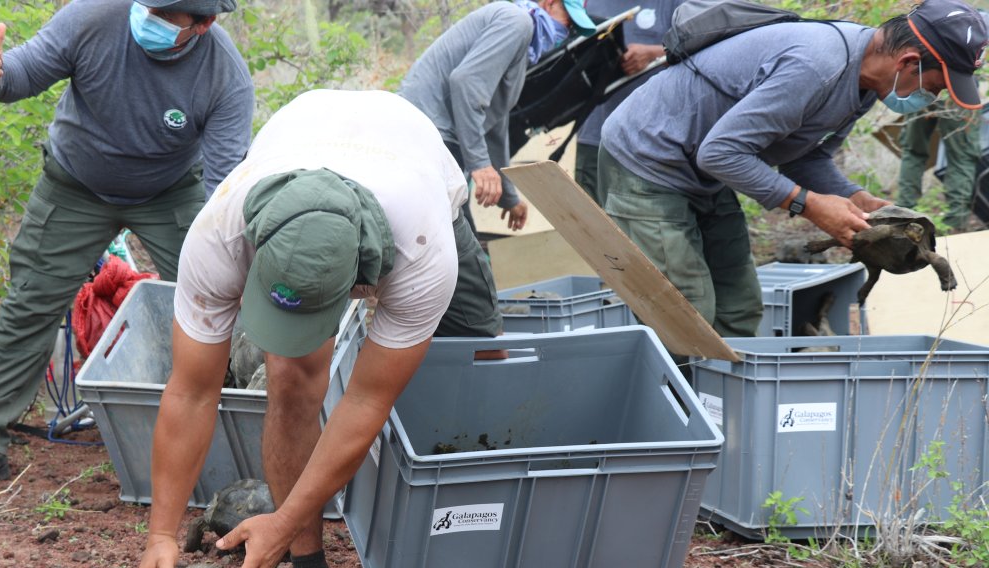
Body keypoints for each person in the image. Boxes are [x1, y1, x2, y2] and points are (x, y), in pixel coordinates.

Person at [131, 89, 502, 568]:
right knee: (291, 377)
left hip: (411, 156)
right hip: (301, 131)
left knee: (482, 354)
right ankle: (309, 566)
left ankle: (468, 529)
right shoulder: (219, 234)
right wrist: (161, 534)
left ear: (361, 278)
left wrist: (278, 520)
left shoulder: (423, 250)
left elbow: (366, 400)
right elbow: (190, 391)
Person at [0, 0, 255, 492]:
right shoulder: (93, 17)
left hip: (170, 192)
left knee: (216, 301)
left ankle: (229, 434)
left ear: (203, 24)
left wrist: (223, 263)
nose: (149, 16)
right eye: (147, 4)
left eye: (166, 14)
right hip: (74, 184)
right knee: (29, 304)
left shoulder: (225, 77)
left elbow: (224, 192)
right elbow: (20, 74)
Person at [598, 0, 986, 338]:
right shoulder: (816, 66)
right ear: (908, 62)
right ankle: (676, 397)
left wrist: (856, 198)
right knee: (685, 313)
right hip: (648, 160)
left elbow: (804, 157)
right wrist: (809, 205)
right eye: (935, 87)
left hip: (704, 173)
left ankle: (722, 396)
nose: (932, 97)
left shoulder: (866, 83)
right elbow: (719, 153)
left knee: (740, 307)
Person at [399, 0, 598, 238]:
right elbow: (466, 83)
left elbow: (495, 123)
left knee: (451, 237)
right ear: (549, 3)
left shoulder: (523, 45)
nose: (567, 32)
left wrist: (509, 197)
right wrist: (480, 165)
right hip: (427, 132)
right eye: (569, 22)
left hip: (438, 136)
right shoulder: (517, 22)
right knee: (457, 242)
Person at [573, 0, 685, 202]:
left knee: (640, 217)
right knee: (587, 215)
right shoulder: (586, 3)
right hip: (593, 135)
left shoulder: (675, 4)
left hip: (649, 142)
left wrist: (654, 53)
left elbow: (701, 50)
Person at [898, 97, 982, 230]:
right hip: (958, 93)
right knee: (962, 158)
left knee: (913, 152)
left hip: (920, 90)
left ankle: (903, 218)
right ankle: (954, 225)